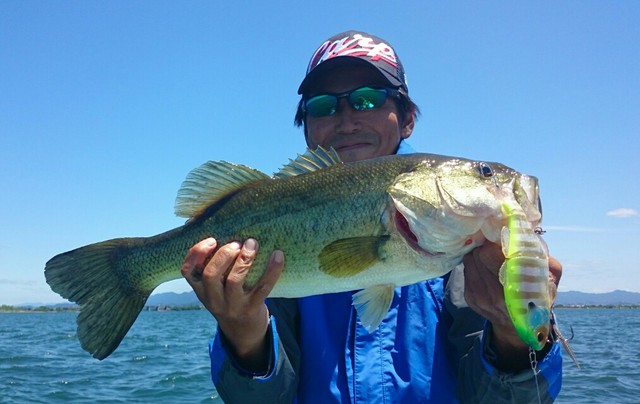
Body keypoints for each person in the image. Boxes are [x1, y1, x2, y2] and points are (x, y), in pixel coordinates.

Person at [181, 31, 564, 403]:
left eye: (368, 99)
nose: (347, 119)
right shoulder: (270, 220)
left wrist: (514, 337)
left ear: (407, 118)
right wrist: (244, 335)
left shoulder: (473, 253)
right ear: (306, 128)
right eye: (323, 106)